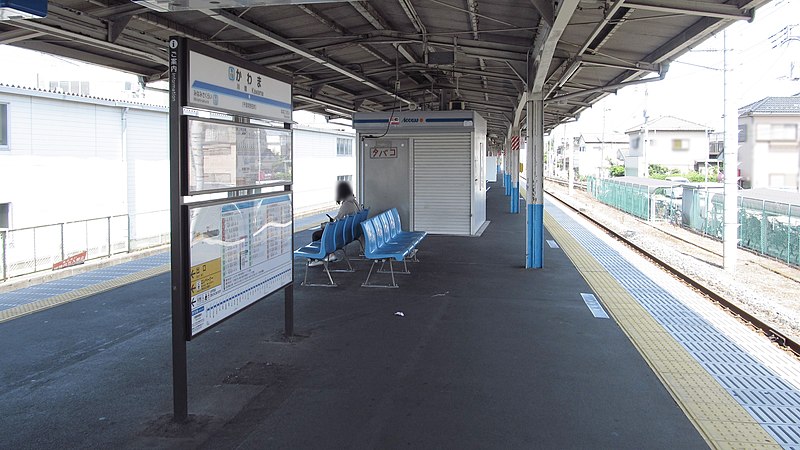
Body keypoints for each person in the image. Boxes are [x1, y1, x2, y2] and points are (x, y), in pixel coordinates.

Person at [308, 181, 361, 266]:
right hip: (351, 233)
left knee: (316, 235)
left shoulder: (346, 205)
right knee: (325, 233)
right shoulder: (354, 202)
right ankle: (329, 254)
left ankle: (318, 258)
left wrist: (327, 224)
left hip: (343, 235)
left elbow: (338, 219)